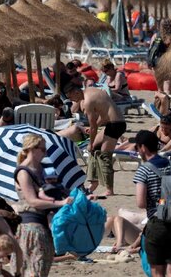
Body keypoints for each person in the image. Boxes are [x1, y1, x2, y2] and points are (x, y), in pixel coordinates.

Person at [14, 134, 71, 277]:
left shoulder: (43, 169)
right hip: (30, 227)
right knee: (32, 270)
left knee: (40, 270)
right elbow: (32, 201)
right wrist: (60, 203)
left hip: (44, 224)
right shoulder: (23, 172)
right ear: (32, 149)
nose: (45, 153)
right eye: (43, 149)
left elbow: (57, 190)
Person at [133, 130, 171, 277]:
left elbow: (141, 203)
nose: (137, 151)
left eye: (137, 147)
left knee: (157, 271)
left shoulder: (144, 170)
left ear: (143, 147)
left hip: (158, 224)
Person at [70, 86, 125, 197]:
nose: (72, 100)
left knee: (104, 155)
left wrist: (90, 142)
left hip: (116, 125)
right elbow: (104, 116)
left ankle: (109, 190)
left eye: (71, 97)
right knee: (94, 149)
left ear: (76, 92)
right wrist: (92, 139)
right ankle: (93, 184)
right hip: (114, 123)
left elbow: (93, 127)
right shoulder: (92, 90)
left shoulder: (87, 101)